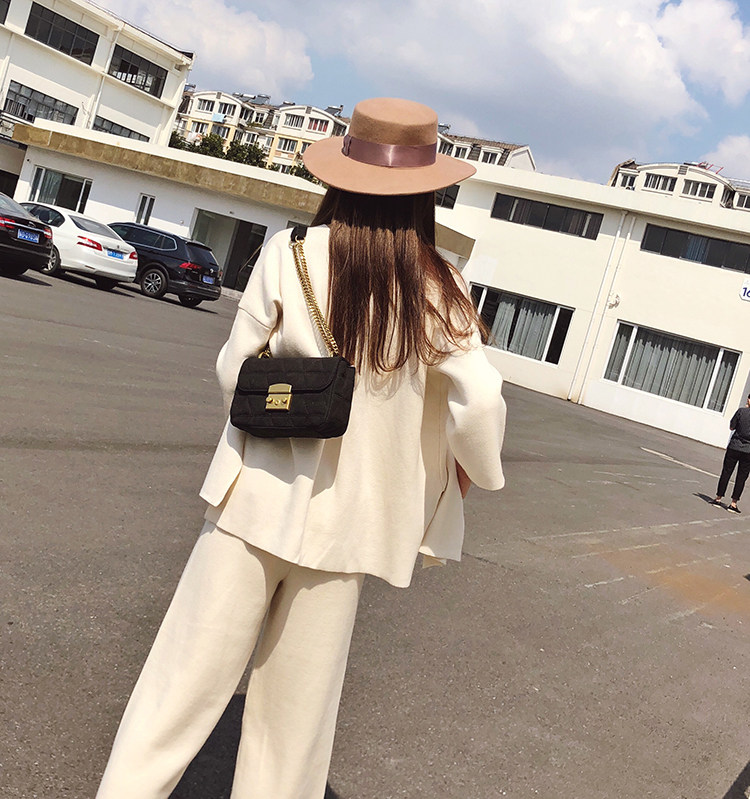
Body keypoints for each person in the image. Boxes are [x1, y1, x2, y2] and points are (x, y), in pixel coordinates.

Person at [96, 97, 506, 799]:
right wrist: (475, 472)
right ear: (425, 190)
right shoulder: (440, 285)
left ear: (341, 174)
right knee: (291, 737)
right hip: (346, 535)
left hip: (252, 504)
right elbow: (484, 402)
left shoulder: (290, 254)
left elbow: (234, 373)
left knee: (175, 693)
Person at [712, 394, 750, 513]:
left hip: (734, 446)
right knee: (741, 477)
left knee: (726, 472)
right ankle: (733, 503)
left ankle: (718, 498)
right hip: (748, 451)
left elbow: (731, 427)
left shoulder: (741, 411)